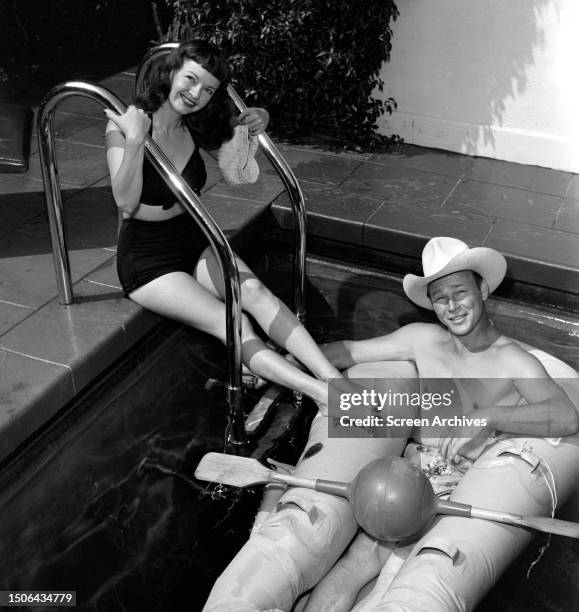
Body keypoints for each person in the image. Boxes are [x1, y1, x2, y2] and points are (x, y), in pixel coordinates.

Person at [203, 236, 579, 612]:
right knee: (348, 570)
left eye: (460, 292)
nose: (452, 306)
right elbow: (346, 351)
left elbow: (565, 415)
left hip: (457, 492)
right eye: (440, 297)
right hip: (400, 477)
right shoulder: (423, 340)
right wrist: (281, 367)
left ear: (482, 288)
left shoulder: (512, 361)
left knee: (403, 585)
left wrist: (487, 416)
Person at [104, 38, 352, 410]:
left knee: (255, 293)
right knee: (230, 322)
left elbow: (238, 151)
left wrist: (259, 119)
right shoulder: (129, 123)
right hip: (148, 260)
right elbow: (126, 201)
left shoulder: (194, 123)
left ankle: (333, 379)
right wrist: (137, 140)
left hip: (191, 237)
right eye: (189, 79)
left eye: (207, 89)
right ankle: (322, 396)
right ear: (171, 71)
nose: (194, 94)